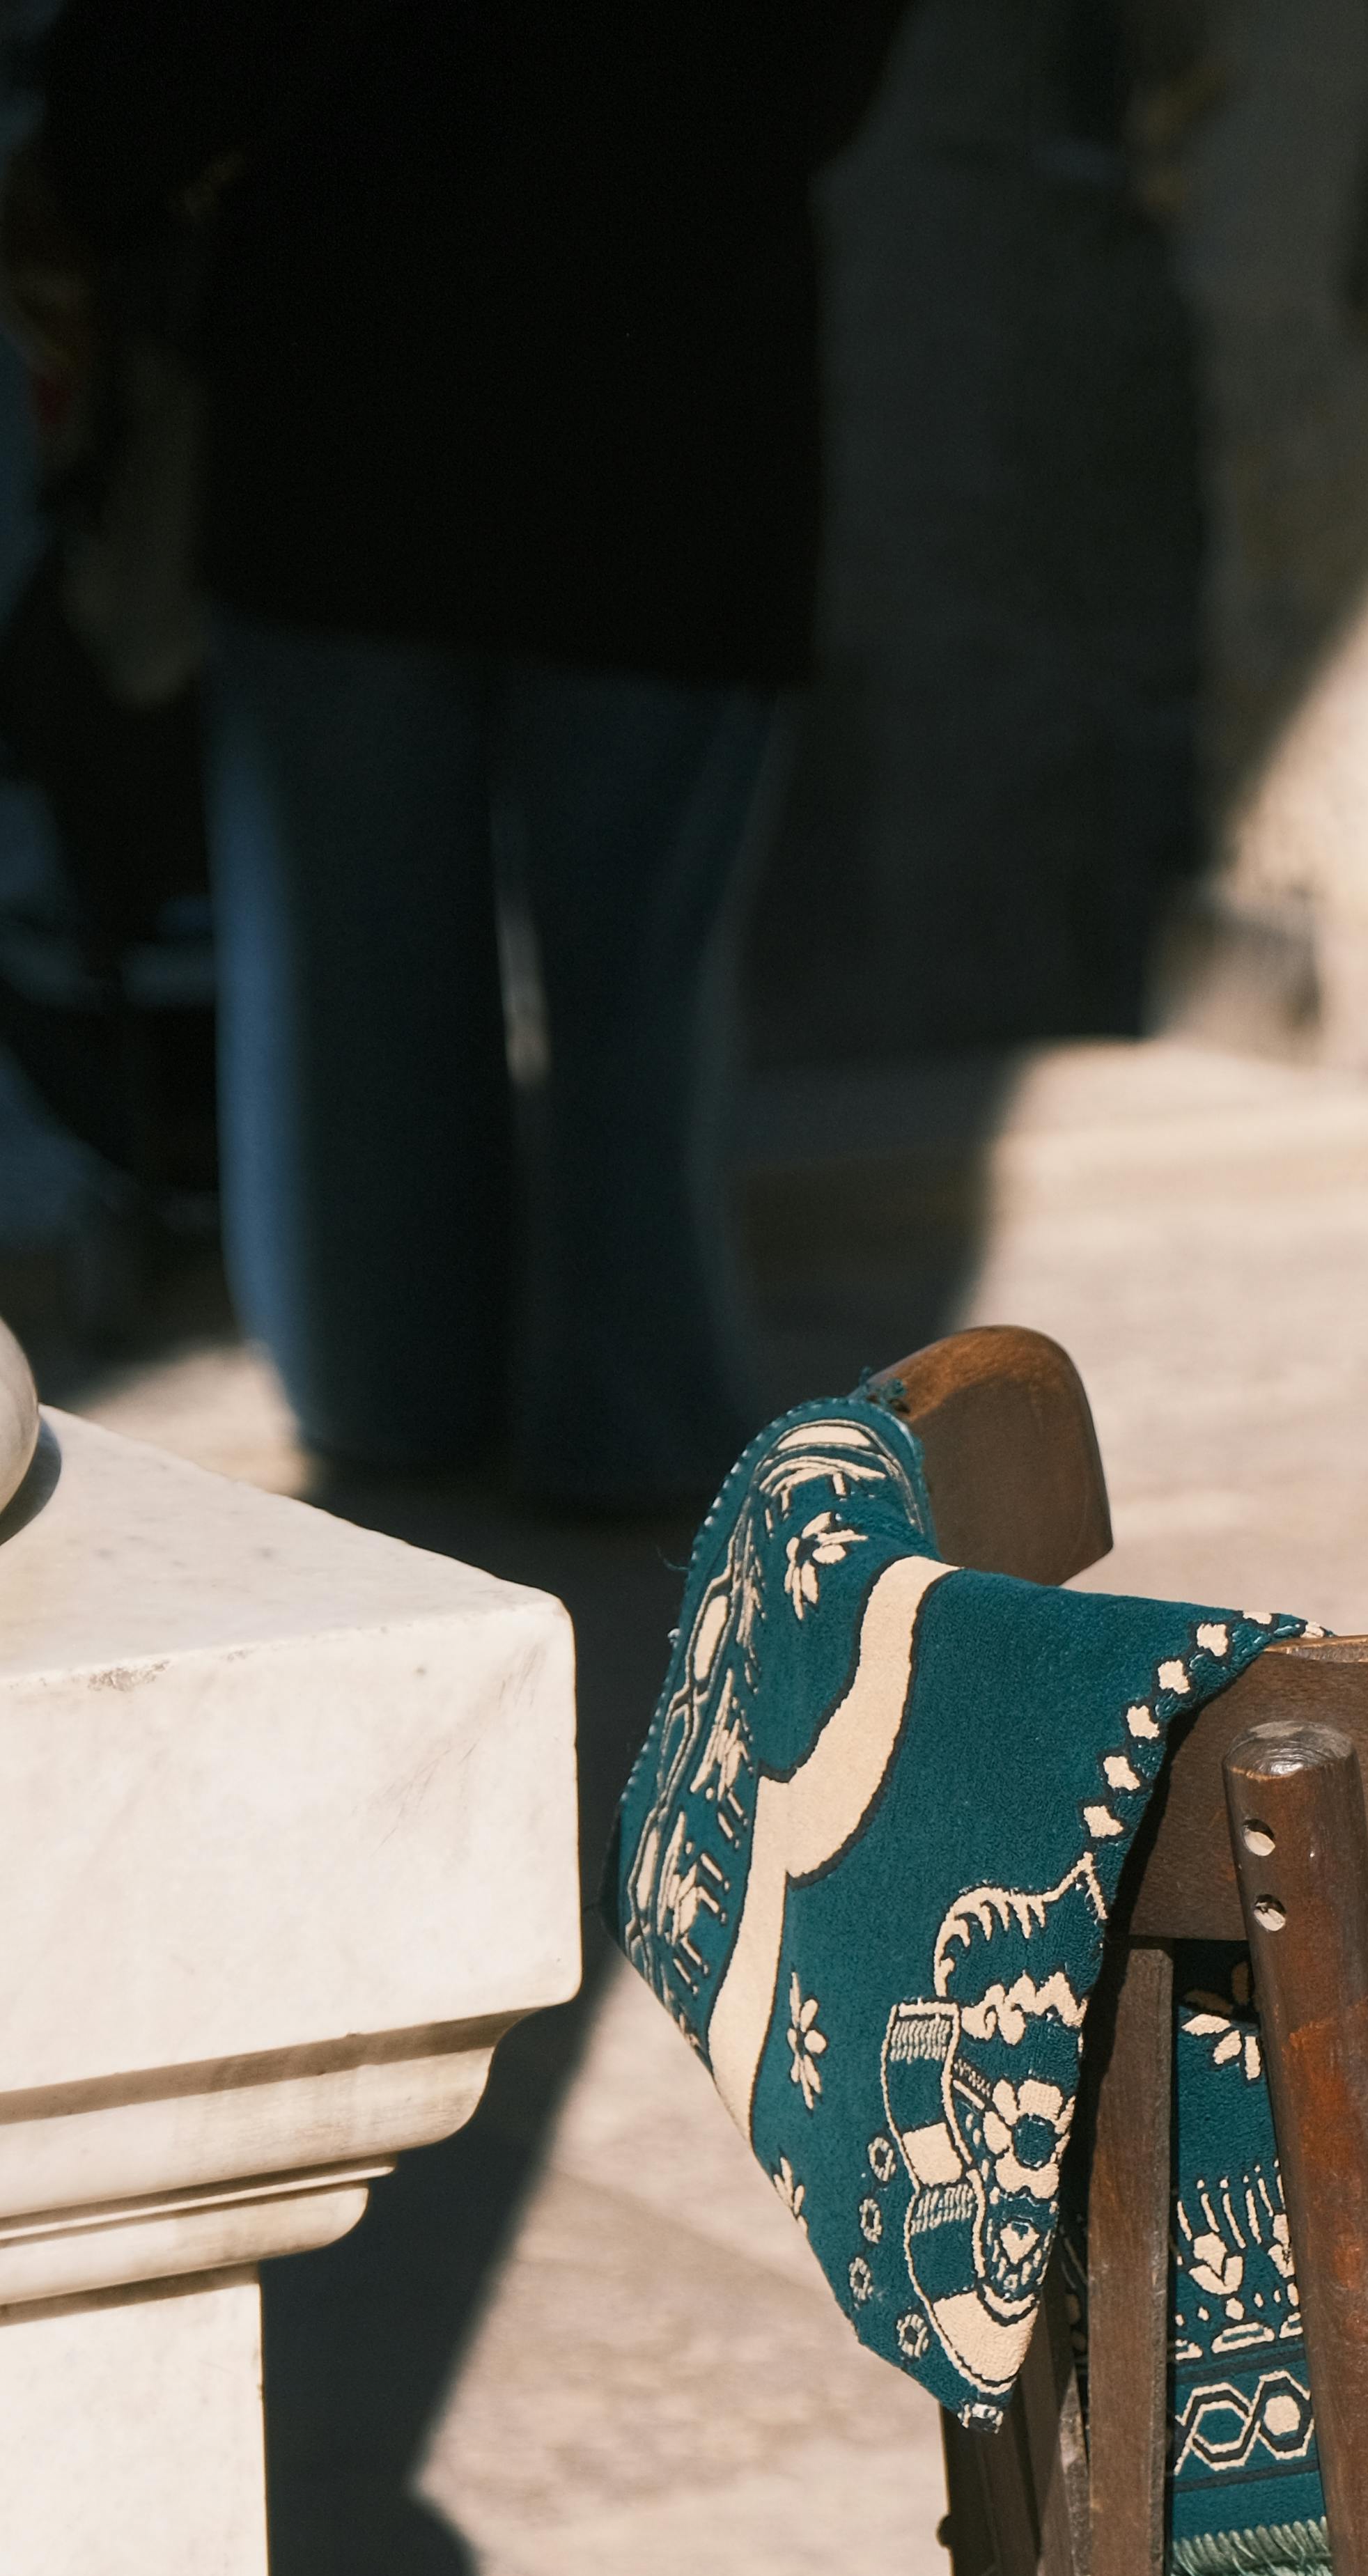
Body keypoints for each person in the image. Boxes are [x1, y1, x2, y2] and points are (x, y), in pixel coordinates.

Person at [17, 1, 907, 1508]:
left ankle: (388, 1418)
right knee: (641, 995)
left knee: (348, 975)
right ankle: (636, 1432)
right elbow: (821, 76)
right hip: (674, 381)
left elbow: (170, 75)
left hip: (354, 380)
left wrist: (78, 179)